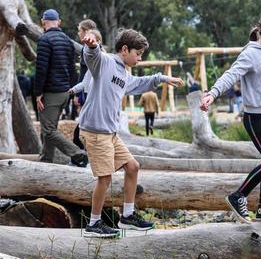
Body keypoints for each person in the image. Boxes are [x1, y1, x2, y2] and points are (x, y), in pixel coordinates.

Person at [79, 28, 184, 237]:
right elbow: (92, 56)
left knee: (133, 167)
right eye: (138, 54)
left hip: (110, 133)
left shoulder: (124, 74)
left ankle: (127, 216)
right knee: (105, 178)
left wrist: (162, 78)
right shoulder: (105, 62)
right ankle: (93, 224)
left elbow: (138, 84)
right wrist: (91, 45)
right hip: (95, 131)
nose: (139, 58)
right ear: (125, 49)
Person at [200, 8, 261, 224]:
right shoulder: (250, 54)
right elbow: (230, 75)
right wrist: (213, 93)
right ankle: (238, 196)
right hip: (255, 118)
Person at [33, 8, 87, 167]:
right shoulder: (67, 40)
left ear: (43, 22)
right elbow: (72, 69)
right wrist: (73, 91)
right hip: (65, 92)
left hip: (51, 93)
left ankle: (78, 153)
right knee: (50, 129)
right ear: (59, 22)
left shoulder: (44, 40)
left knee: (48, 131)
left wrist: (38, 93)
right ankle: (46, 161)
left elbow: (41, 69)